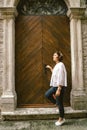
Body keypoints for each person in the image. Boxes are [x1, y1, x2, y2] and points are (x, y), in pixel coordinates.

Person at [45, 51, 67, 126]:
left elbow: (61, 76)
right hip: (55, 86)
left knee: (60, 103)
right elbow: (55, 73)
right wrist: (50, 68)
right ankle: (57, 104)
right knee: (47, 94)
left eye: (54, 55)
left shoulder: (61, 65)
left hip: (58, 87)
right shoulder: (57, 65)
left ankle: (61, 119)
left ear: (58, 57)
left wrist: (59, 89)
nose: (53, 56)